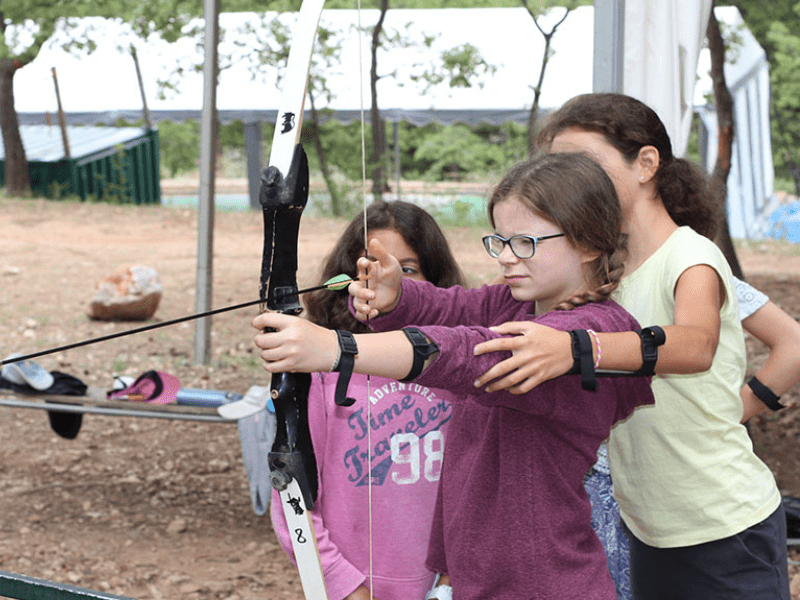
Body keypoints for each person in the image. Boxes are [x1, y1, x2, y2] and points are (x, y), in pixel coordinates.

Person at [254, 153, 656, 600]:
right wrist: (395, 295)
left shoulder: (596, 332)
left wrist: (336, 350)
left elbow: (466, 353)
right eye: (499, 241)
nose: (506, 258)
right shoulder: (516, 303)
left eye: (524, 242)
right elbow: (448, 307)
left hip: (545, 583)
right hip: (481, 581)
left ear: (588, 243)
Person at [472, 93, 791, 599]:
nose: (574, 179)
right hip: (649, 530)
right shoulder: (603, 276)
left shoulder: (691, 254)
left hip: (724, 527)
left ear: (646, 164)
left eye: (586, 163)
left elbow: (695, 344)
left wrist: (579, 349)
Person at [269, 200, 465, 600]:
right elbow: (290, 499)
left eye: (406, 269)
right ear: (344, 280)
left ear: (436, 282)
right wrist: (346, 585)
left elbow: (476, 488)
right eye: (365, 270)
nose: (382, 283)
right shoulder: (320, 373)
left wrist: (448, 582)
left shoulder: (456, 368)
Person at [585, 274, 800, 600]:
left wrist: (732, 411)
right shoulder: (573, 272)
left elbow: (792, 344)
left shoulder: (691, 270)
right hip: (599, 493)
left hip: (689, 499)